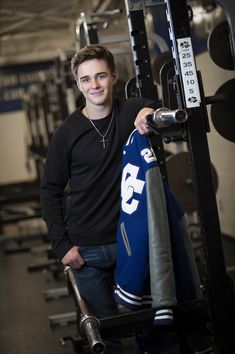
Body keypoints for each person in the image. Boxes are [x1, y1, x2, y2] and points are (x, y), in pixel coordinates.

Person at [40, 44, 158, 353]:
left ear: (114, 77)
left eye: (101, 76)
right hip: (85, 250)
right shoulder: (66, 133)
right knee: (106, 334)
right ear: (78, 85)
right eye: (86, 79)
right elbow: (49, 190)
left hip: (129, 242)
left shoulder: (130, 110)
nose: (94, 85)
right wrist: (60, 245)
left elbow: (154, 106)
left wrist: (150, 111)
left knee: (148, 320)